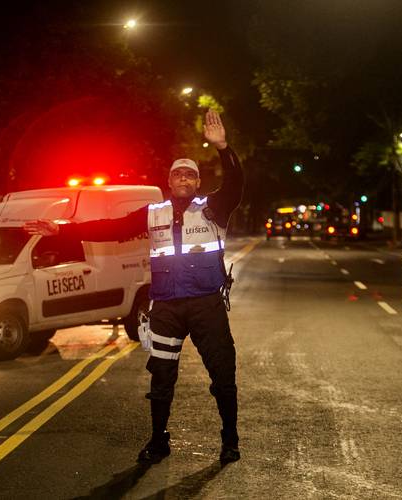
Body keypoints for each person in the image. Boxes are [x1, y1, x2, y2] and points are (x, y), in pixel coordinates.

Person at [24, 109, 243, 465]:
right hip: (167, 307)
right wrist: (62, 230)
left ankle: (230, 439)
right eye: (178, 174)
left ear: (198, 182)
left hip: (206, 304)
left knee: (222, 374)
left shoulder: (214, 207)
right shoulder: (153, 212)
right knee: (161, 376)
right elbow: (110, 229)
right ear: (169, 181)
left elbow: (235, 183)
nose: (184, 178)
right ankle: (159, 441)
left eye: (191, 174)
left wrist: (223, 148)